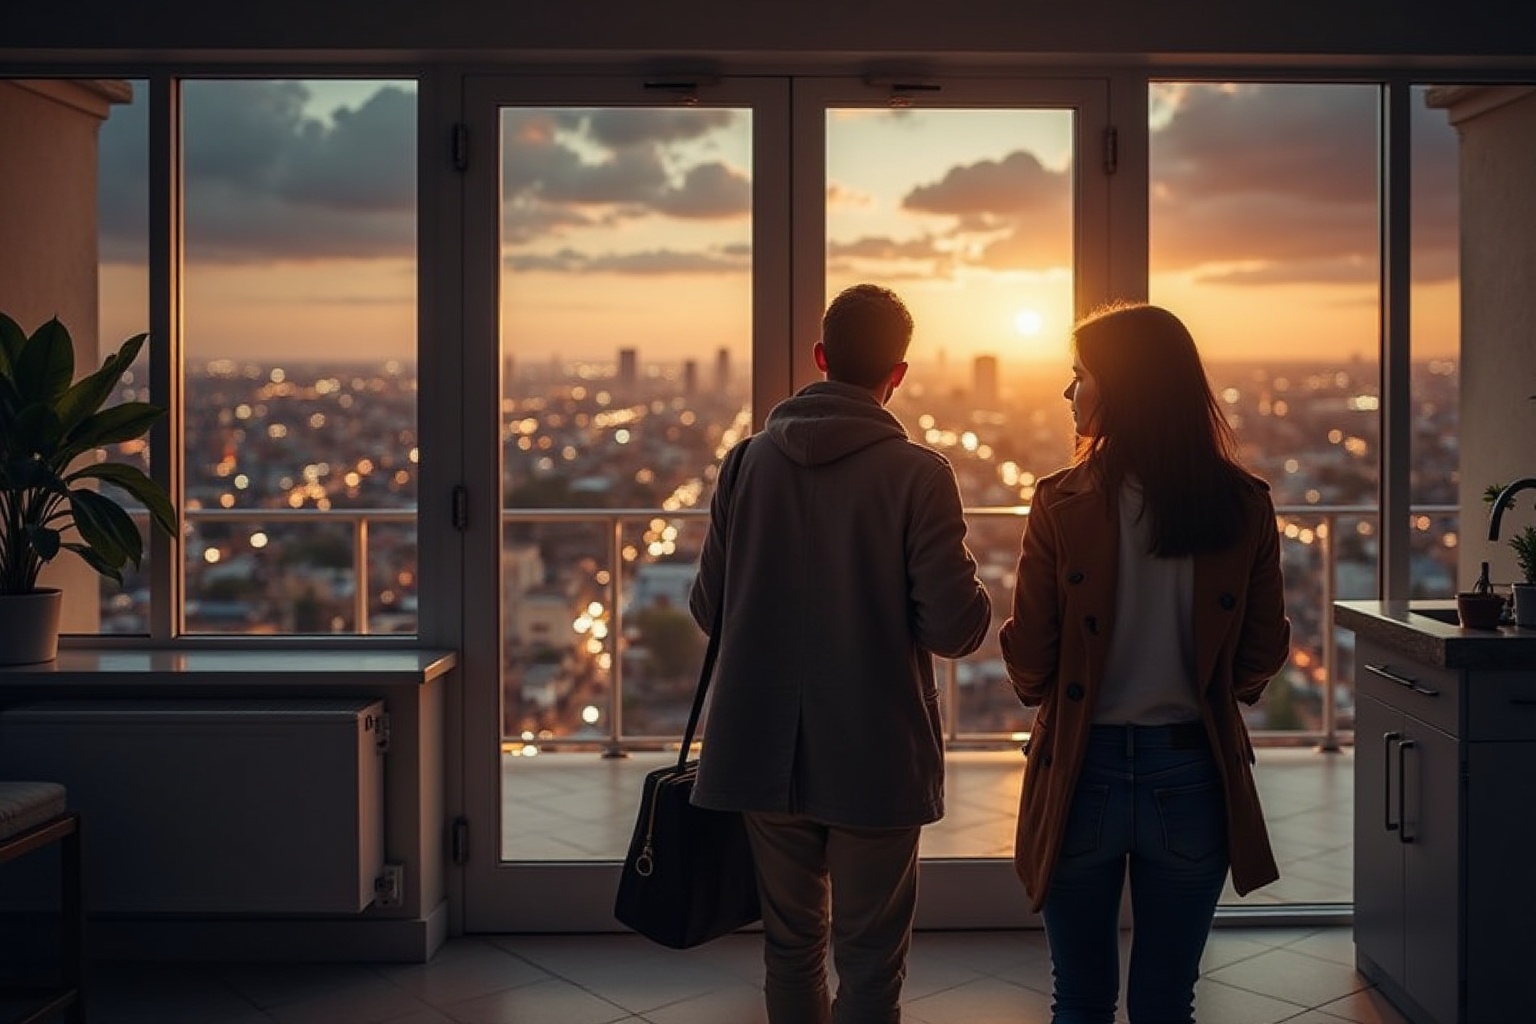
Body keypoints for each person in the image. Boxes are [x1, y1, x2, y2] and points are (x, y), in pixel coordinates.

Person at [688, 283, 992, 1024]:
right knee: (871, 957)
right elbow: (956, 629)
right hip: (874, 748)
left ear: (821, 358)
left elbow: (708, 608)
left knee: (790, 950)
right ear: (900, 371)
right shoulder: (920, 475)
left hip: (760, 746)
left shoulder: (745, 464)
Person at [999, 302, 1291, 1024]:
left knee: (1083, 997)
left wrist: (1049, 695)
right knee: (1166, 1000)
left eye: (1080, 375)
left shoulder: (1061, 502)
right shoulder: (1242, 503)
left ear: (1121, 388)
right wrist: (1220, 693)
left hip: (1081, 769)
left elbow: (1030, 649)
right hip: (1193, 772)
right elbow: (1263, 645)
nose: (1069, 393)